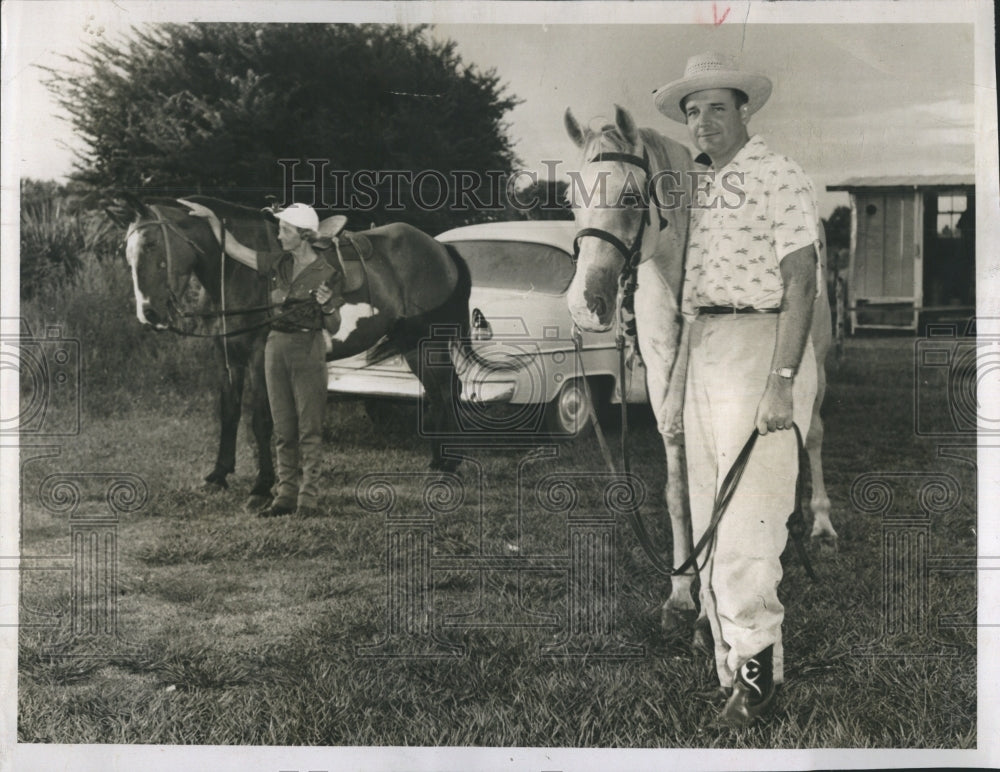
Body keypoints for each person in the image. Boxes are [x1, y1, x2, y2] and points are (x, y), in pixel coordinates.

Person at [654, 52, 823, 728]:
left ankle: (755, 682)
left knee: (750, 519)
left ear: (743, 111)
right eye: (693, 112)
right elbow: (691, 303)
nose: (703, 122)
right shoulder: (698, 190)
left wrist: (781, 383)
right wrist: (673, 389)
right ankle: (734, 664)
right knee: (708, 516)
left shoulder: (779, 175)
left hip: (765, 345)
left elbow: (803, 283)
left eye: (716, 108)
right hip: (705, 351)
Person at [183, 201, 345, 518]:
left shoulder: (327, 273)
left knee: (307, 429)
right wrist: (214, 220)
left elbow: (335, 326)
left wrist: (327, 307)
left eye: (283, 230)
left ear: (301, 235)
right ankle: (284, 497)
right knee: (283, 428)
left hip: (307, 347)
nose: (278, 235)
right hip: (275, 346)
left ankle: (308, 500)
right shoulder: (277, 263)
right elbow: (235, 250)